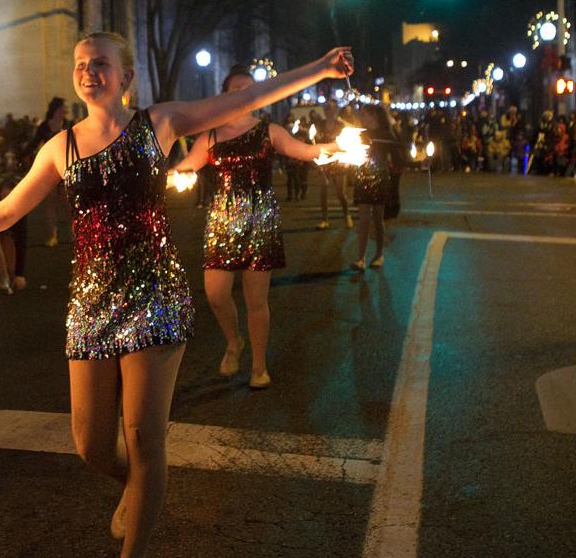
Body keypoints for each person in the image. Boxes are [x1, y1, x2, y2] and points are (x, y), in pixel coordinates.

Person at [0, 32, 352, 558]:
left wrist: (318, 65)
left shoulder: (160, 123)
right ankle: (141, 489)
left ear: (127, 77)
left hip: (155, 295)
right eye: (80, 65)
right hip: (91, 303)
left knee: (144, 437)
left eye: (101, 65)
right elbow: (9, 209)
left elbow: (245, 101)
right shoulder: (58, 148)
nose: (89, 73)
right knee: (92, 444)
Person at [171, 67, 333, 389]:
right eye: (235, 90)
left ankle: (259, 365)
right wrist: (176, 174)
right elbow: (186, 167)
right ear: (225, 94)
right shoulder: (210, 135)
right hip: (223, 220)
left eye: (248, 88)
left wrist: (336, 147)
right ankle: (234, 341)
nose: (242, 94)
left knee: (256, 300)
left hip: (261, 219)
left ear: (259, 94)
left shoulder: (269, 130)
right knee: (215, 293)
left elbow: (303, 151)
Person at [351, 104, 403, 271]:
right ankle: (361, 258)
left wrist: (419, 163)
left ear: (374, 116)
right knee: (364, 220)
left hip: (380, 179)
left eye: (364, 114)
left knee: (378, 219)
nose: (361, 117)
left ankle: (379, 254)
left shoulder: (386, 135)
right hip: (362, 178)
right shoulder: (360, 134)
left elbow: (398, 159)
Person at [27, 97, 70, 246]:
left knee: (67, 203)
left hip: (66, 167)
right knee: (51, 203)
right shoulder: (45, 126)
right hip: (50, 168)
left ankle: (76, 233)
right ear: (58, 109)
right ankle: (53, 236)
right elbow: (35, 143)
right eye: (65, 106)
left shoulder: (68, 125)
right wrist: (24, 155)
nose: (67, 109)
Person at [316, 100, 351, 230]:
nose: (329, 112)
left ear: (336, 111)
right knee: (323, 189)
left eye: (331, 109)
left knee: (340, 193)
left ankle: (347, 215)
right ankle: (324, 219)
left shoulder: (341, 125)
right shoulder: (320, 124)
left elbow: (346, 143)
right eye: (327, 109)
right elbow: (315, 140)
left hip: (338, 162)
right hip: (325, 161)